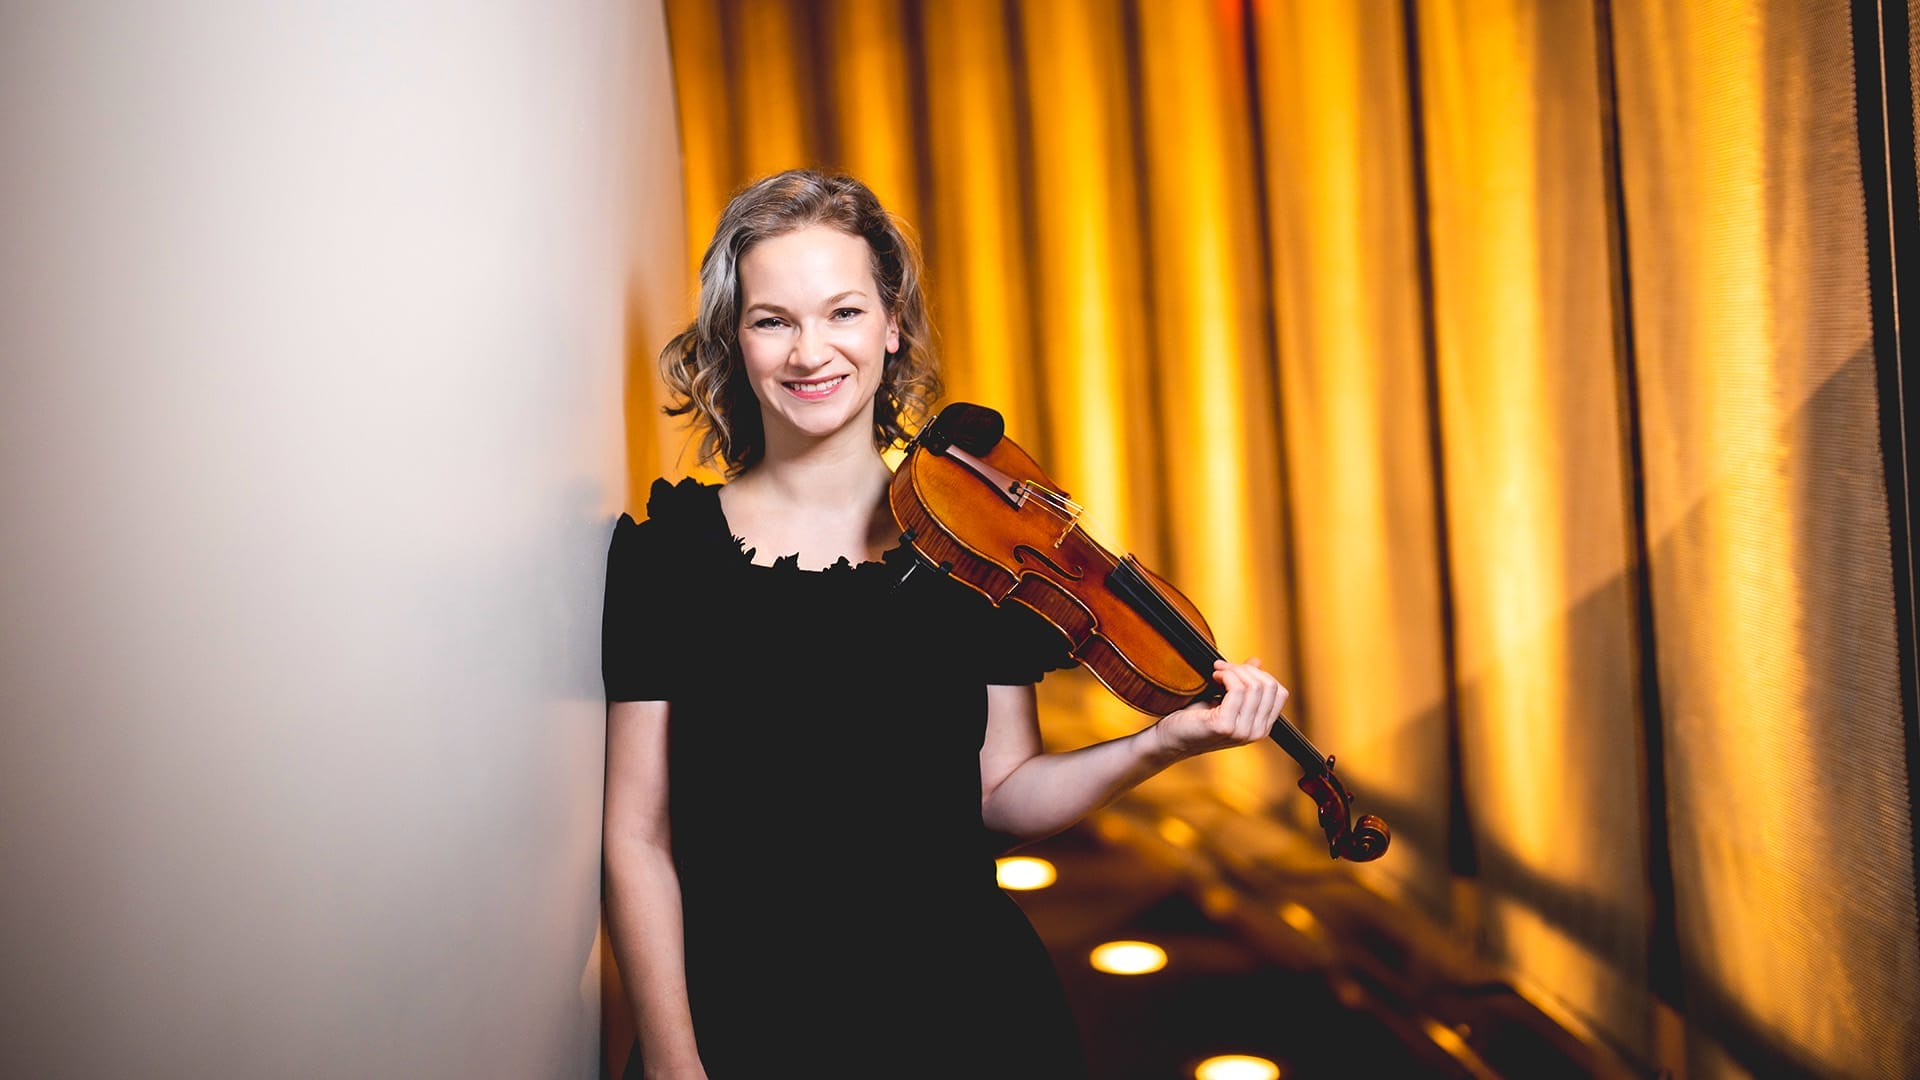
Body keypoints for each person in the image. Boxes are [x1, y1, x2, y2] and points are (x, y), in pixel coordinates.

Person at [601, 167, 1287, 1079]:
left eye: (844, 312)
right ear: (735, 338)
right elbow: (637, 837)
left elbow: (1001, 795)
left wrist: (1163, 743)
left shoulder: (977, 553)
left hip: (970, 1020)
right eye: (773, 321)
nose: (811, 352)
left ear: (892, 325)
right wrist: (674, 1060)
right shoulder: (669, 556)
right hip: (750, 1022)